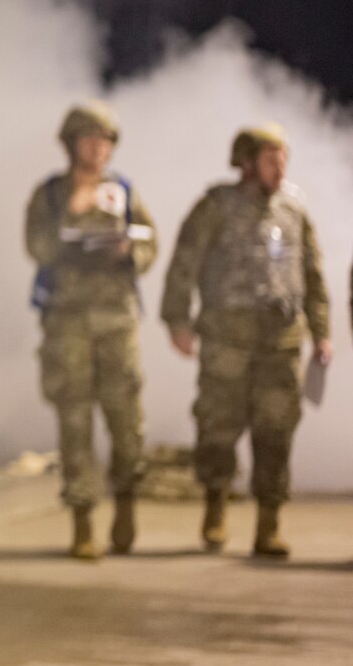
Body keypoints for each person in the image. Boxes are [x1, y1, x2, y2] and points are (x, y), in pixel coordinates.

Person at [161, 123, 333, 558]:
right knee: (218, 428)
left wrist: (321, 333)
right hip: (227, 341)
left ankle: (268, 526)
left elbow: (312, 276)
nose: (280, 168)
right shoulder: (215, 206)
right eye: (271, 160)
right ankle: (215, 507)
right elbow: (184, 263)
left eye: (284, 160)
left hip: (281, 343)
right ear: (247, 162)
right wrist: (177, 320)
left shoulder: (293, 211)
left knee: (277, 433)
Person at [23, 102, 159, 558]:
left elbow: (150, 241)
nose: (99, 149)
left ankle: (126, 502)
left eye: (106, 142)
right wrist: (71, 213)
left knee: (126, 421)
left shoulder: (122, 190)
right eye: (90, 140)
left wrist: (129, 251)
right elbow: (37, 247)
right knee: (75, 421)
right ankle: (82, 521)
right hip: (68, 324)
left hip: (117, 321)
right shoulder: (50, 194)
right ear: (71, 144)